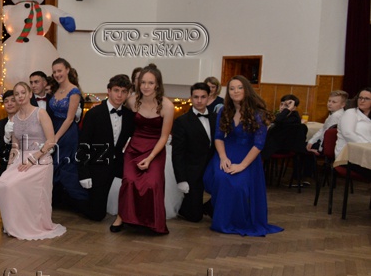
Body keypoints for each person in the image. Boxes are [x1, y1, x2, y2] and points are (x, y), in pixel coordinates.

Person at [203, 76, 283, 236]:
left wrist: (242, 165)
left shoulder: (258, 113)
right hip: (227, 151)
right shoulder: (224, 111)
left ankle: (237, 221)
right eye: (232, 88)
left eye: (239, 87)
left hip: (248, 155)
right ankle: (221, 219)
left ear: (246, 89)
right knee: (219, 177)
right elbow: (218, 137)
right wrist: (223, 157)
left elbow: (258, 144)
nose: (235, 91)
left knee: (238, 184)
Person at [0, 82, 65, 240]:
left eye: (23, 93)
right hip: (21, 159)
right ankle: (13, 223)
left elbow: (51, 141)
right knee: (1, 184)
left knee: (12, 185)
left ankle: (31, 225)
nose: (20, 96)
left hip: (40, 159)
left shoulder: (40, 113)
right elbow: (15, 146)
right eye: (17, 94)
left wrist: (33, 158)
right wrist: (9, 167)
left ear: (30, 94)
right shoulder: (14, 118)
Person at [112, 65, 174, 234]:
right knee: (129, 181)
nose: (146, 86)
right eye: (143, 82)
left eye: (150, 83)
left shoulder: (167, 106)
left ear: (157, 84)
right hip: (134, 148)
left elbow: (164, 137)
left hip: (155, 149)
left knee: (152, 183)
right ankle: (122, 217)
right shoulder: (131, 101)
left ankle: (151, 222)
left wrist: (151, 157)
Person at [78, 75, 135, 222]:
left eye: (123, 91)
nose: (119, 95)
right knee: (97, 215)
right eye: (116, 90)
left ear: (128, 93)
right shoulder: (94, 114)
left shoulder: (129, 116)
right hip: (98, 166)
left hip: (119, 165)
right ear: (108, 91)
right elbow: (83, 145)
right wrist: (84, 173)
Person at [171, 83, 215, 222]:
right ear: (191, 98)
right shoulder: (182, 121)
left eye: (203, 97)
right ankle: (188, 208)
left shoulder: (216, 118)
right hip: (192, 171)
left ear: (209, 97)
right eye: (196, 97)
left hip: (212, 167)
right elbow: (177, 153)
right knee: (195, 217)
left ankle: (209, 206)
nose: (199, 100)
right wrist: (181, 179)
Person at [48, 59, 87, 207]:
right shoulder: (55, 90)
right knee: (52, 165)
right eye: (54, 72)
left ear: (67, 70)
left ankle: (80, 201)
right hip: (54, 128)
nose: (57, 74)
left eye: (60, 71)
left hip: (67, 132)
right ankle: (57, 200)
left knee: (63, 165)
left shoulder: (74, 91)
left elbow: (70, 118)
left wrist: (56, 137)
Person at [261, 94, 304, 160]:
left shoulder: (294, 118)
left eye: (286, 106)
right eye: (281, 104)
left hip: (282, 147)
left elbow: (276, 120)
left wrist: (288, 109)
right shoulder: (282, 116)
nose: (282, 107)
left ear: (293, 108)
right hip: (276, 144)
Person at [335, 87, 371, 158]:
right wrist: (366, 146)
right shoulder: (350, 113)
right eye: (360, 98)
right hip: (348, 154)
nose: (362, 101)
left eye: (366, 98)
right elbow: (348, 134)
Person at [0, 89, 18, 176]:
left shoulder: (27, 121)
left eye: (13, 100)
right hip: (5, 168)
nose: (9, 104)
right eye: (6, 101)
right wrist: (6, 138)